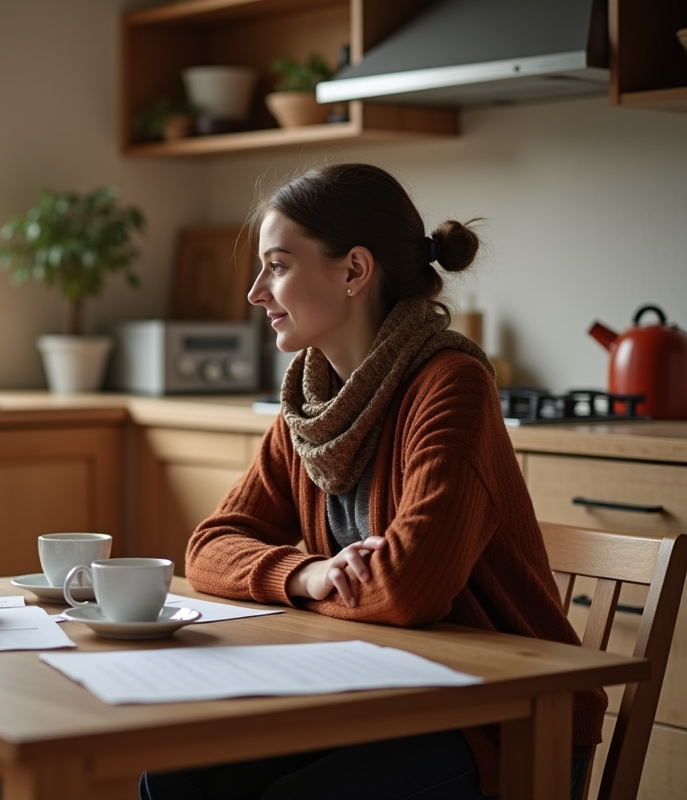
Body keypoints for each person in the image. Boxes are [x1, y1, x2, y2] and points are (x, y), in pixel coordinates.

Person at [140, 163, 605, 800]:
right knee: (172, 773)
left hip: (501, 720)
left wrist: (330, 581)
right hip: (376, 689)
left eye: (277, 266)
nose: (255, 293)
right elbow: (209, 549)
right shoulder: (311, 406)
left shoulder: (451, 387)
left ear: (355, 271)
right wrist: (308, 574)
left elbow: (409, 589)